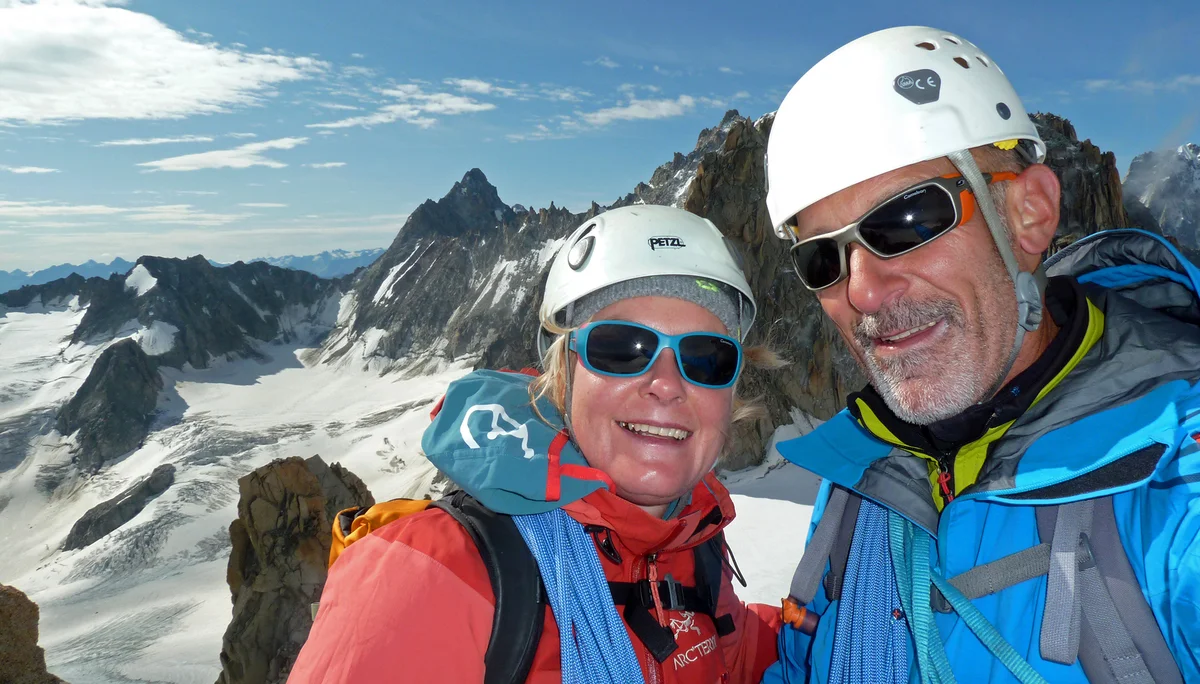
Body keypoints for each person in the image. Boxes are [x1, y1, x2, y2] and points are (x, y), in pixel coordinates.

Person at [761, 26, 1200, 684]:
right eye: (822, 258)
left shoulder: (1177, 478)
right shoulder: (858, 487)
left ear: (1030, 213)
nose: (863, 292)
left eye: (905, 221)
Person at [290, 205, 781, 683]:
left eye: (707, 358)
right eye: (620, 349)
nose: (667, 385)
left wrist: (823, 622)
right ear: (562, 373)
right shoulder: (424, 577)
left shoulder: (695, 547)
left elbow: (736, 657)